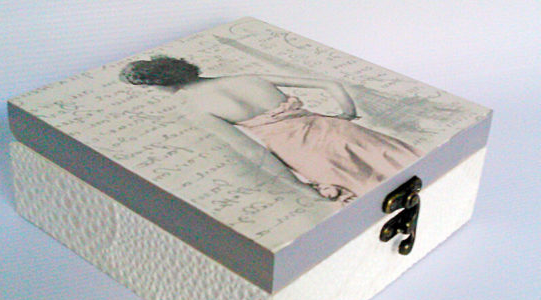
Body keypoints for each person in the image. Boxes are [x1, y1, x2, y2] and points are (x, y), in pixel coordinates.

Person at [120, 56, 421, 201]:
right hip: (339, 130)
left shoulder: (199, 109)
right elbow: (330, 83)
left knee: (373, 197)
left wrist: (298, 187)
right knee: (410, 175)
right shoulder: (248, 77)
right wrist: (347, 114)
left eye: (150, 88)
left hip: (305, 154)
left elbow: (252, 152)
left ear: (160, 83)